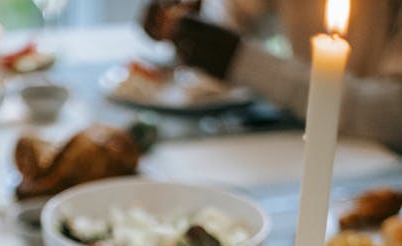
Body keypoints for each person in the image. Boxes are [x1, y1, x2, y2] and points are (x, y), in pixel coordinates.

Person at [142, 0, 402, 152]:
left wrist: (244, 62)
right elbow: (234, 10)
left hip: (381, 158)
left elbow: (393, 114)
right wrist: (194, 23)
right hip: (301, 142)